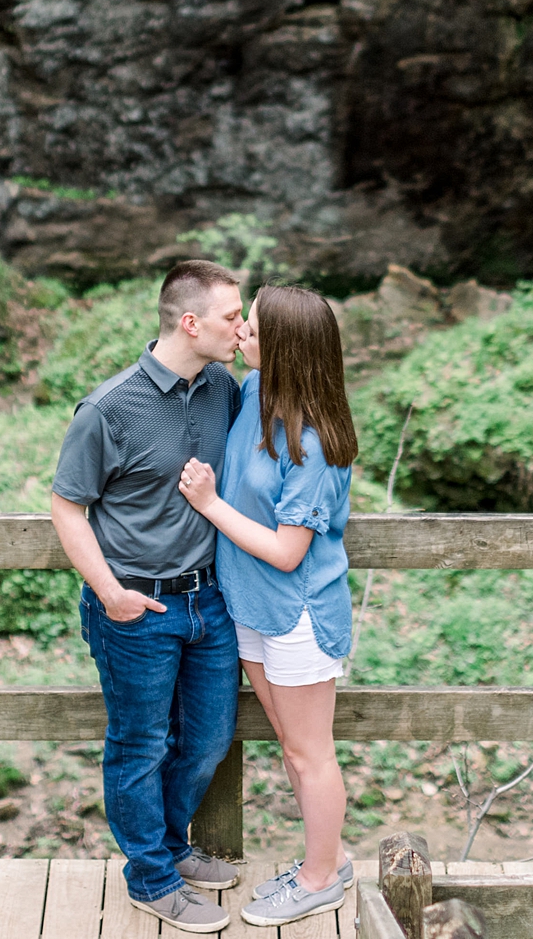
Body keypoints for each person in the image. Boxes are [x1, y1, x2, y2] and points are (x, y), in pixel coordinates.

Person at [50, 259, 247, 934]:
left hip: (209, 602)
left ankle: (168, 848)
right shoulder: (109, 407)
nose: (241, 327)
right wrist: (110, 594)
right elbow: (67, 508)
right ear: (189, 322)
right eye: (232, 316)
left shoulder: (223, 386)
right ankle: (152, 879)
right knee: (139, 745)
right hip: (136, 609)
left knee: (210, 737)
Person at [178, 284, 359, 928]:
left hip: (298, 614)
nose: (240, 334)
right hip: (248, 606)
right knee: (288, 742)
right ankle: (327, 860)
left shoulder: (315, 444)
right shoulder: (256, 392)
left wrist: (210, 505)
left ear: (283, 346)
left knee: (311, 752)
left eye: (251, 328)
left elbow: (287, 551)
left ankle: (320, 879)